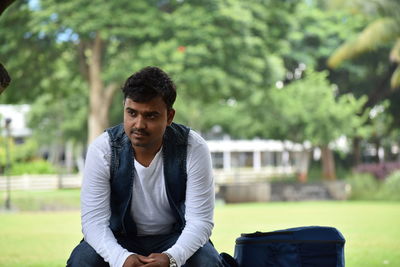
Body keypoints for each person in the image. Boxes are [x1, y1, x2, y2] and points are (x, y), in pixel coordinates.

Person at [67, 66, 223, 267]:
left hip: (175, 237)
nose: (138, 124)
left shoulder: (192, 147)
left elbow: (200, 221)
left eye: (150, 116)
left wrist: (171, 258)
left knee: (208, 262)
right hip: (119, 237)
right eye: (132, 113)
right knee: (82, 260)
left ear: (170, 116)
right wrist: (121, 258)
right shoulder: (103, 149)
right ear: (124, 107)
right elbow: (94, 223)